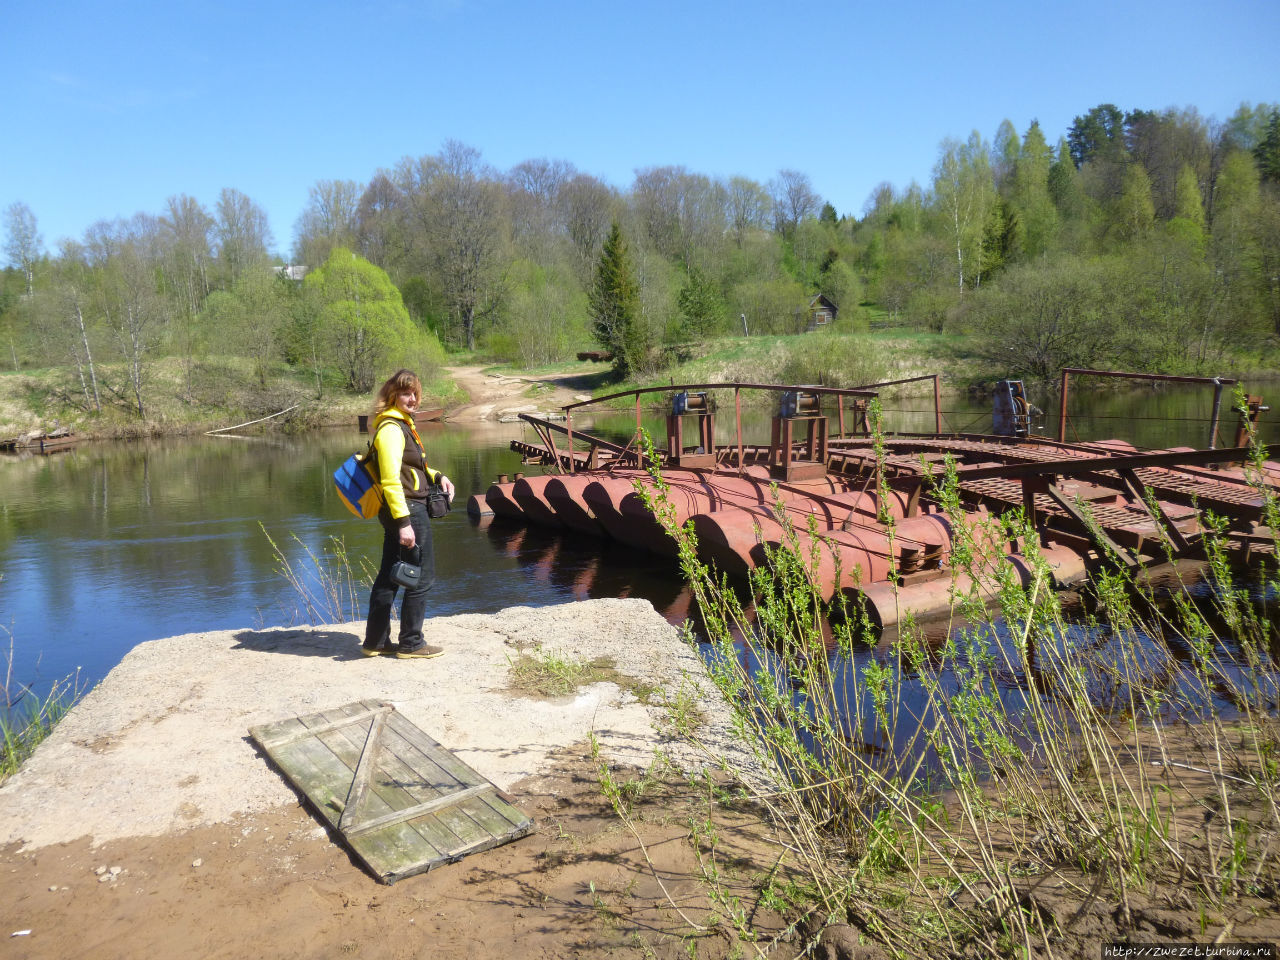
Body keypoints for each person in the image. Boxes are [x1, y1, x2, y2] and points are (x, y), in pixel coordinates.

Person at [362, 369, 455, 659]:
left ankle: (375, 642)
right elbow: (391, 479)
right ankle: (412, 643)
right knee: (422, 576)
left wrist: (438, 476)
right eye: (406, 393)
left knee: (390, 576)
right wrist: (404, 524)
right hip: (407, 510)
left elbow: (410, 468)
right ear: (392, 395)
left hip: (401, 509)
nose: (412, 398)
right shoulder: (391, 429)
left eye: (415, 393)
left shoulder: (401, 425)